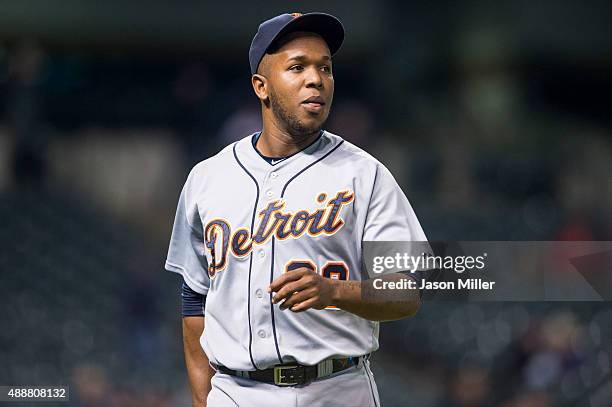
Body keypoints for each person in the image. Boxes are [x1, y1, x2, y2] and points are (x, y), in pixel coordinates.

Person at [165, 12, 427, 406]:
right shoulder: (208, 179)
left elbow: (407, 292)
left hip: (339, 389)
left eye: (325, 68)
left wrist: (335, 290)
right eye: (297, 67)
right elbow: (194, 302)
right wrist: (204, 400)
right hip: (237, 393)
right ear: (262, 86)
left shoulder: (365, 174)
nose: (316, 79)